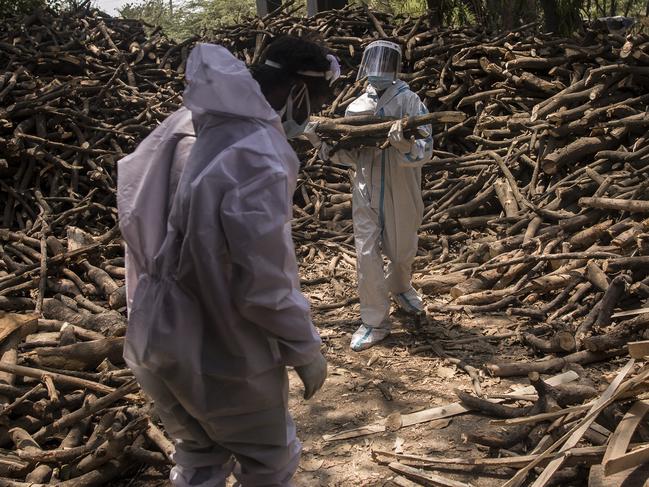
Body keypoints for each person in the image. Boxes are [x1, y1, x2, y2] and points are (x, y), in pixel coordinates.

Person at [117, 37, 338, 487]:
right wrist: (305, 348)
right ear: (298, 88)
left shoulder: (183, 122)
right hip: (222, 344)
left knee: (198, 455)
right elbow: (264, 277)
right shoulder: (257, 151)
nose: (311, 114)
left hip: (150, 327)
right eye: (315, 100)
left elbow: (135, 213)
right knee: (268, 461)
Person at [304, 40, 433, 352]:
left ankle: (401, 287)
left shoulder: (410, 102)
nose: (377, 71)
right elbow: (347, 156)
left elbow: (426, 149)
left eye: (384, 64)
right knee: (366, 254)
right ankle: (375, 321)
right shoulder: (356, 107)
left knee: (402, 250)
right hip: (364, 189)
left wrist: (403, 145)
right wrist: (317, 143)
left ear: (395, 67)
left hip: (401, 188)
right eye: (373, 64)